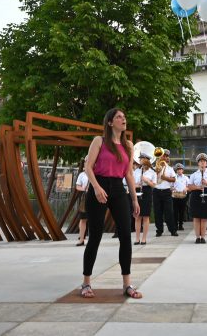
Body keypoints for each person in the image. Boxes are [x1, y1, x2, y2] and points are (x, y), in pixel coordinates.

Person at [80, 108, 142, 299]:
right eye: (119, 117)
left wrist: (134, 198)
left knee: (125, 235)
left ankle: (127, 285)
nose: (123, 119)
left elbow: (129, 174)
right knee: (96, 236)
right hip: (99, 186)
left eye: (124, 116)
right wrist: (96, 188)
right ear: (109, 122)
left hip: (117, 189)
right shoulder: (99, 141)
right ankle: (86, 283)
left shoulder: (129, 145)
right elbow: (88, 168)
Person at [187, 153, 207, 244]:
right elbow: (189, 186)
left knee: (204, 217)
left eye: (204, 161)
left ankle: (203, 237)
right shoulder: (194, 174)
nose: (203, 163)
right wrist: (198, 187)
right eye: (201, 161)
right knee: (196, 217)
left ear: (206, 163)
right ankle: (197, 237)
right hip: (196, 195)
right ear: (198, 163)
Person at [153, 149, 177, 237]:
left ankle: (172, 230)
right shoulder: (155, 167)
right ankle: (159, 230)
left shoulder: (170, 169)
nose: (165, 157)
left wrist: (165, 178)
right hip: (156, 191)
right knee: (157, 212)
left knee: (169, 212)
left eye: (166, 156)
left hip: (166, 191)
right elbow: (152, 178)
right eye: (163, 155)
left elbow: (174, 179)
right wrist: (157, 170)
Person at [133, 153, 156, 245]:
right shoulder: (137, 171)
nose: (140, 160)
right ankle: (137, 238)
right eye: (140, 159)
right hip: (138, 191)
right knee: (138, 216)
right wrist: (137, 184)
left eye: (142, 159)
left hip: (147, 191)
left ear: (146, 160)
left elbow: (154, 185)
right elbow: (132, 183)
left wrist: (146, 180)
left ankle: (144, 238)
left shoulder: (152, 172)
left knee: (146, 216)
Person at [75, 159, 89, 247]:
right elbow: (77, 186)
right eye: (86, 162)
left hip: (95, 196)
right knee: (83, 219)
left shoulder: (96, 173)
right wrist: (84, 189)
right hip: (86, 196)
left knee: (94, 219)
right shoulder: (82, 174)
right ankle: (81, 239)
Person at [171, 163, 189, 231]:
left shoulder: (186, 178)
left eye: (180, 169)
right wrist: (172, 188)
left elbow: (189, 186)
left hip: (183, 196)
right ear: (176, 170)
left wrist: (186, 189)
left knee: (182, 211)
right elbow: (171, 186)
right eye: (178, 169)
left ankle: (181, 225)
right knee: (175, 211)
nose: (179, 171)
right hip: (175, 196)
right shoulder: (173, 177)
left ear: (183, 170)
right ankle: (175, 225)